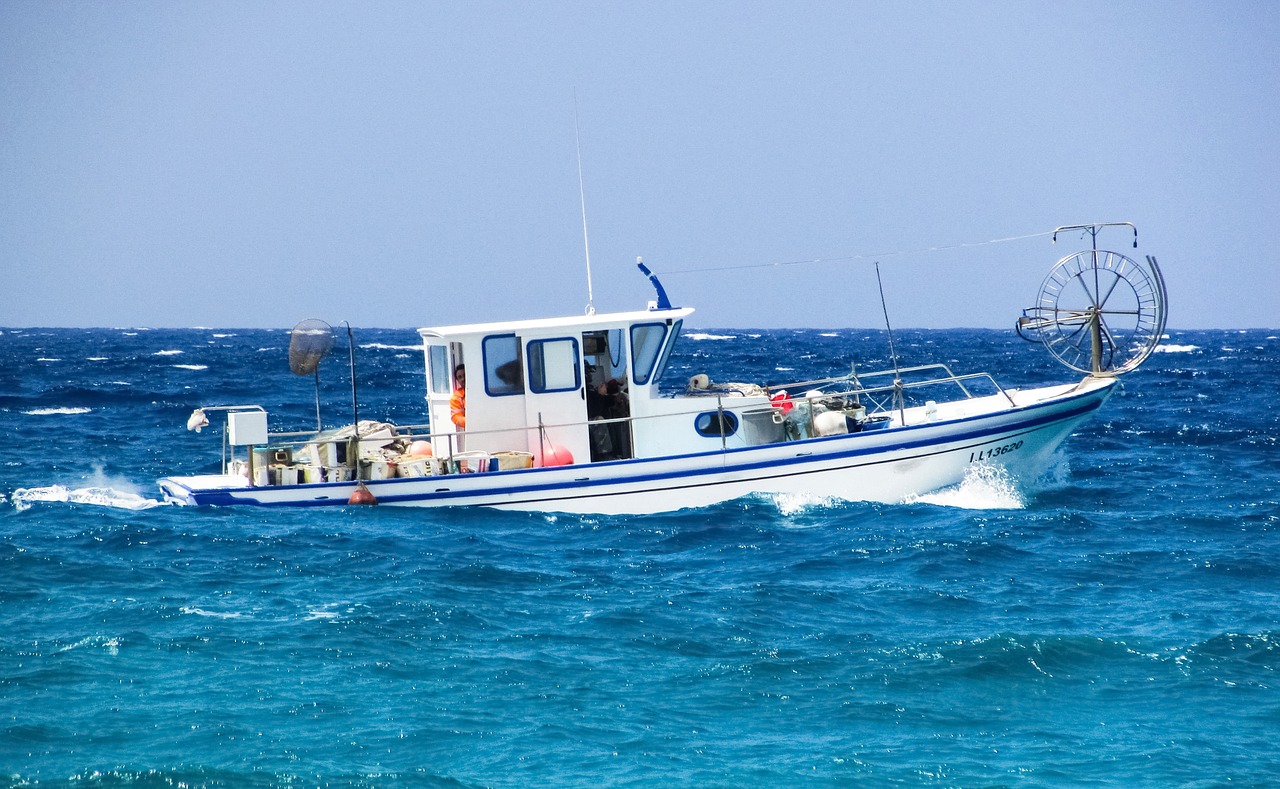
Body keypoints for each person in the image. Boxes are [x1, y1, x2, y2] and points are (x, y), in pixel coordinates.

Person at [450, 364, 466, 429]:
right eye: (460, 377)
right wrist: (472, 421)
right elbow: (456, 417)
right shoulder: (456, 398)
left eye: (464, 375)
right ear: (458, 380)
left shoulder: (480, 391)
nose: (463, 379)